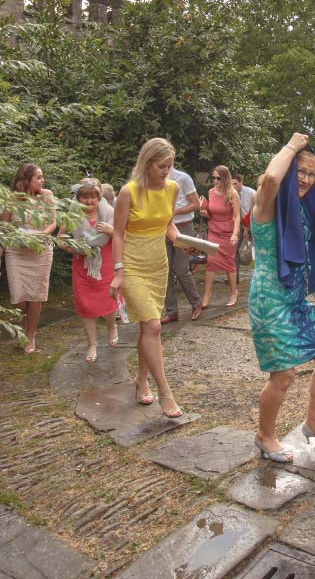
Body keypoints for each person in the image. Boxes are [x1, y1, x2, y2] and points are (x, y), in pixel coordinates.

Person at [247, 133, 315, 462]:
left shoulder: (303, 208)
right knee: (284, 376)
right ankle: (265, 435)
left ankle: (314, 422)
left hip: (296, 297)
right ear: (291, 170)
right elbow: (273, 176)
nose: (305, 179)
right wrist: (291, 146)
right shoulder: (268, 203)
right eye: (300, 171)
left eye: (312, 174)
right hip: (269, 299)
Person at [110, 138, 186, 419]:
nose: (166, 171)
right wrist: (118, 271)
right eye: (161, 166)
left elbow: (168, 224)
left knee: (148, 328)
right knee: (153, 326)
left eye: (169, 166)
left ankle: (141, 381)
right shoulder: (128, 192)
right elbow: (118, 233)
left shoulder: (173, 189)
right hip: (132, 263)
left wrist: (182, 241)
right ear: (147, 163)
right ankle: (165, 391)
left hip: (158, 263)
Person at [0, 163, 56, 354]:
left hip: (41, 251)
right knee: (19, 298)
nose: (42, 180)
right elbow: (3, 230)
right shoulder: (10, 200)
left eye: (42, 177)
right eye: (38, 177)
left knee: (36, 296)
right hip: (16, 253)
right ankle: (25, 323)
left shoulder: (47, 196)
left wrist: (42, 234)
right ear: (25, 180)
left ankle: (30, 334)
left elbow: (53, 221)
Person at [58, 178, 119, 362]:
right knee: (85, 305)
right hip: (82, 265)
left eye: (93, 197)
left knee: (108, 300)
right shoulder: (73, 215)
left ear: (99, 197)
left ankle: (111, 326)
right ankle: (92, 343)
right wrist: (70, 247)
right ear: (78, 198)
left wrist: (110, 231)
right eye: (85, 197)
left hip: (105, 264)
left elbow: (123, 237)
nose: (89, 201)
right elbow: (60, 238)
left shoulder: (109, 213)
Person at [161, 166, 202, 324]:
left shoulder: (182, 178)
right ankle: (172, 312)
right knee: (166, 270)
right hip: (164, 228)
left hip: (183, 227)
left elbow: (196, 204)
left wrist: (174, 212)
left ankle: (196, 303)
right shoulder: (155, 180)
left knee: (181, 269)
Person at [199, 165, 241, 311]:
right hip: (213, 230)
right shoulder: (211, 192)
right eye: (214, 178)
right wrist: (205, 213)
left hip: (228, 233)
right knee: (211, 261)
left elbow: (237, 216)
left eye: (218, 178)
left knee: (229, 263)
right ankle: (206, 295)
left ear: (225, 178)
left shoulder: (232, 194)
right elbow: (212, 212)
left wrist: (235, 234)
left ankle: (233, 292)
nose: (215, 181)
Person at [233, 175, 257, 284]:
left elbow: (254, 212)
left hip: (253, 224)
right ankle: (234, 277)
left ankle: (258, 275)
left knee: (256, 249)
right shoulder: (231, 194)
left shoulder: (251, 193)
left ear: (241, 182)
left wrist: (248, 228)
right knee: (235, 250)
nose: (233, 186)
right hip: (241, 224)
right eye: (231, 184)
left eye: (235, 184)